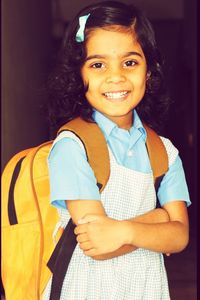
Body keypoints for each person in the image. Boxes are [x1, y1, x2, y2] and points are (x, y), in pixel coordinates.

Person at [43, 1, 191, 299]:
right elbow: (97, 245)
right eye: (98, 64)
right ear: (78, 74)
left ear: (148, 71)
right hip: (86, 289)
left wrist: (122, 231)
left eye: (130, 62)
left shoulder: (164, 151)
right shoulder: (73, 147)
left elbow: (180, 236)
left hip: (147, 288)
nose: (116, 77)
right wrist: (158, 220)